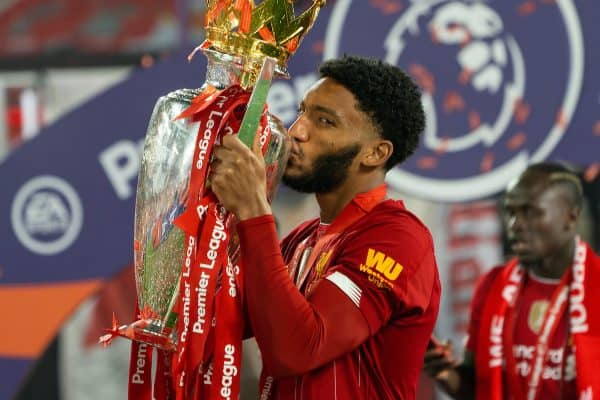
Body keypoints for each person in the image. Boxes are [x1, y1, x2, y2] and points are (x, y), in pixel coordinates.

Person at [210, 55, 441, 399]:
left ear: (375, 153)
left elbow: (297, 349)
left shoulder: (399, 238)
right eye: (303, 112)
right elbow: (219, 318)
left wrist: (253, 209)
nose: (297, 131)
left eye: (325, 122)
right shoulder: (302, 240)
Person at [423, 162, 600, 400]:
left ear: (571, 216)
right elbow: (478, 387)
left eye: (531, 212)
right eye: (511, 212)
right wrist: (445, 373)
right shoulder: (493, 286)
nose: (515, 225)